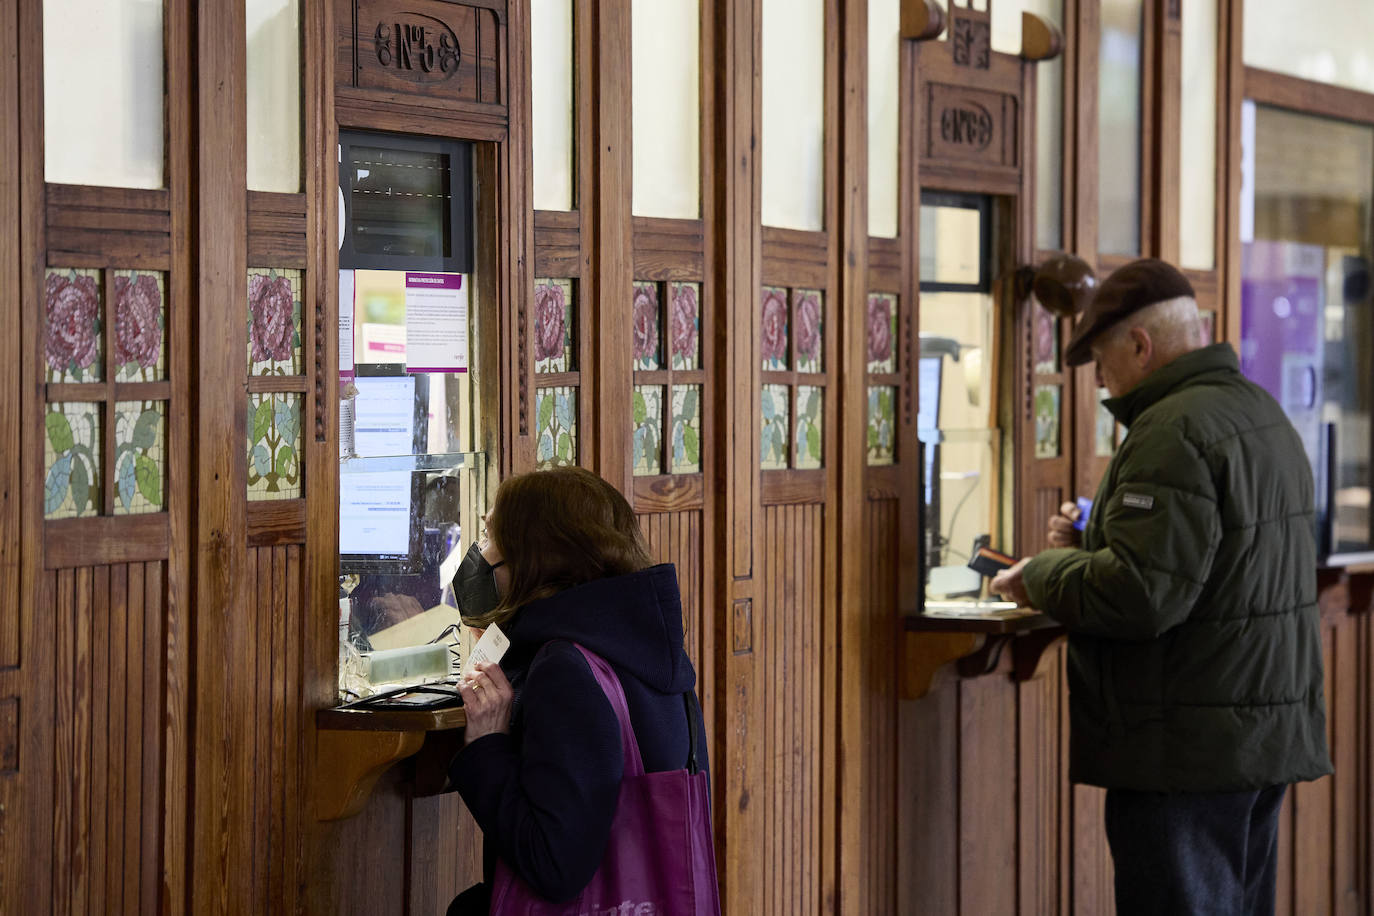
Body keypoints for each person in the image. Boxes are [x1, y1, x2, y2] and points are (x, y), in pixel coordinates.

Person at [991, 258, 1331, 916]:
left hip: (1187, 748)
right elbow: (1216, 566)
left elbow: (1142, 593)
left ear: (1139, 345)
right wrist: (1093, 546)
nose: (1100, 382)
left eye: (1100, 362)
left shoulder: (1172, 430)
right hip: (1257, 735)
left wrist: (1039, 574)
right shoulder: (1259, 411)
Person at [445, 466, 709, 915]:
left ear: (534, 557)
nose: (481, 556)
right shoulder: (646, 647)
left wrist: (488, 745)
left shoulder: (567, 670)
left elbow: (554, 866)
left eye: (490, 538)